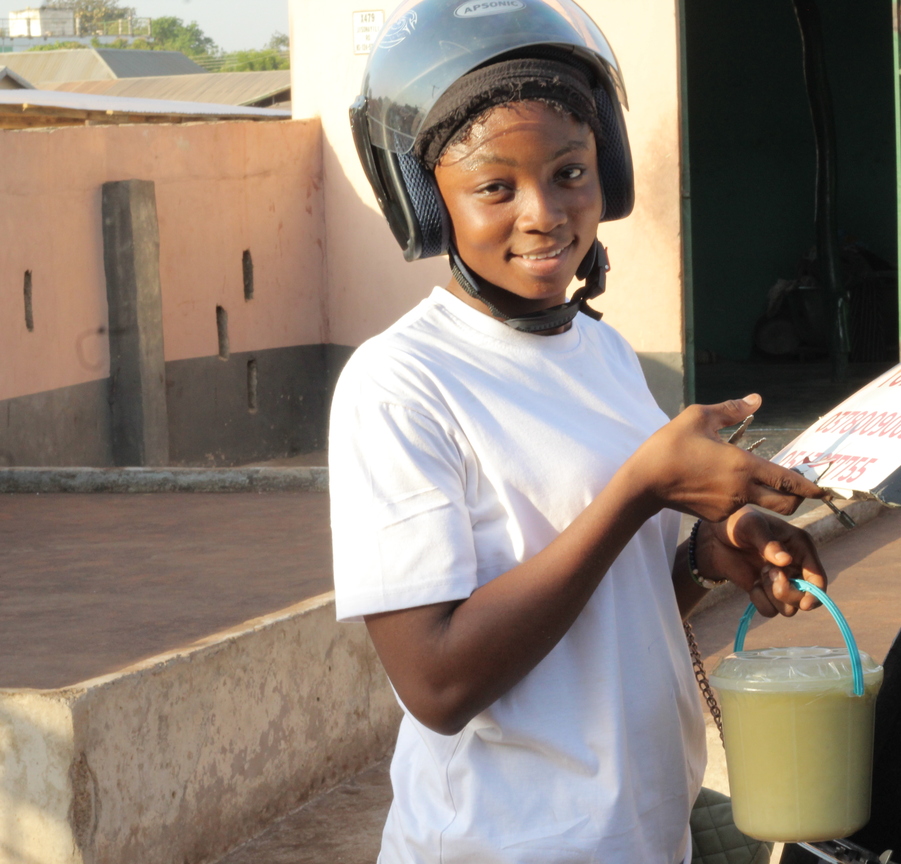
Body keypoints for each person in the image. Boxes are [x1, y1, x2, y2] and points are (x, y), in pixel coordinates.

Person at [332, 2, 833, 861]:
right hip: (504, 844)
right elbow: (438, 682)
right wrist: (641, 491)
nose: (545, 213)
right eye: (495, 187)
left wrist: (705, 559)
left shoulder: (599, 349)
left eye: (571, 171)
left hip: (638, 835)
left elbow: (604, 604)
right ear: (429, 202)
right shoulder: (400, 383)